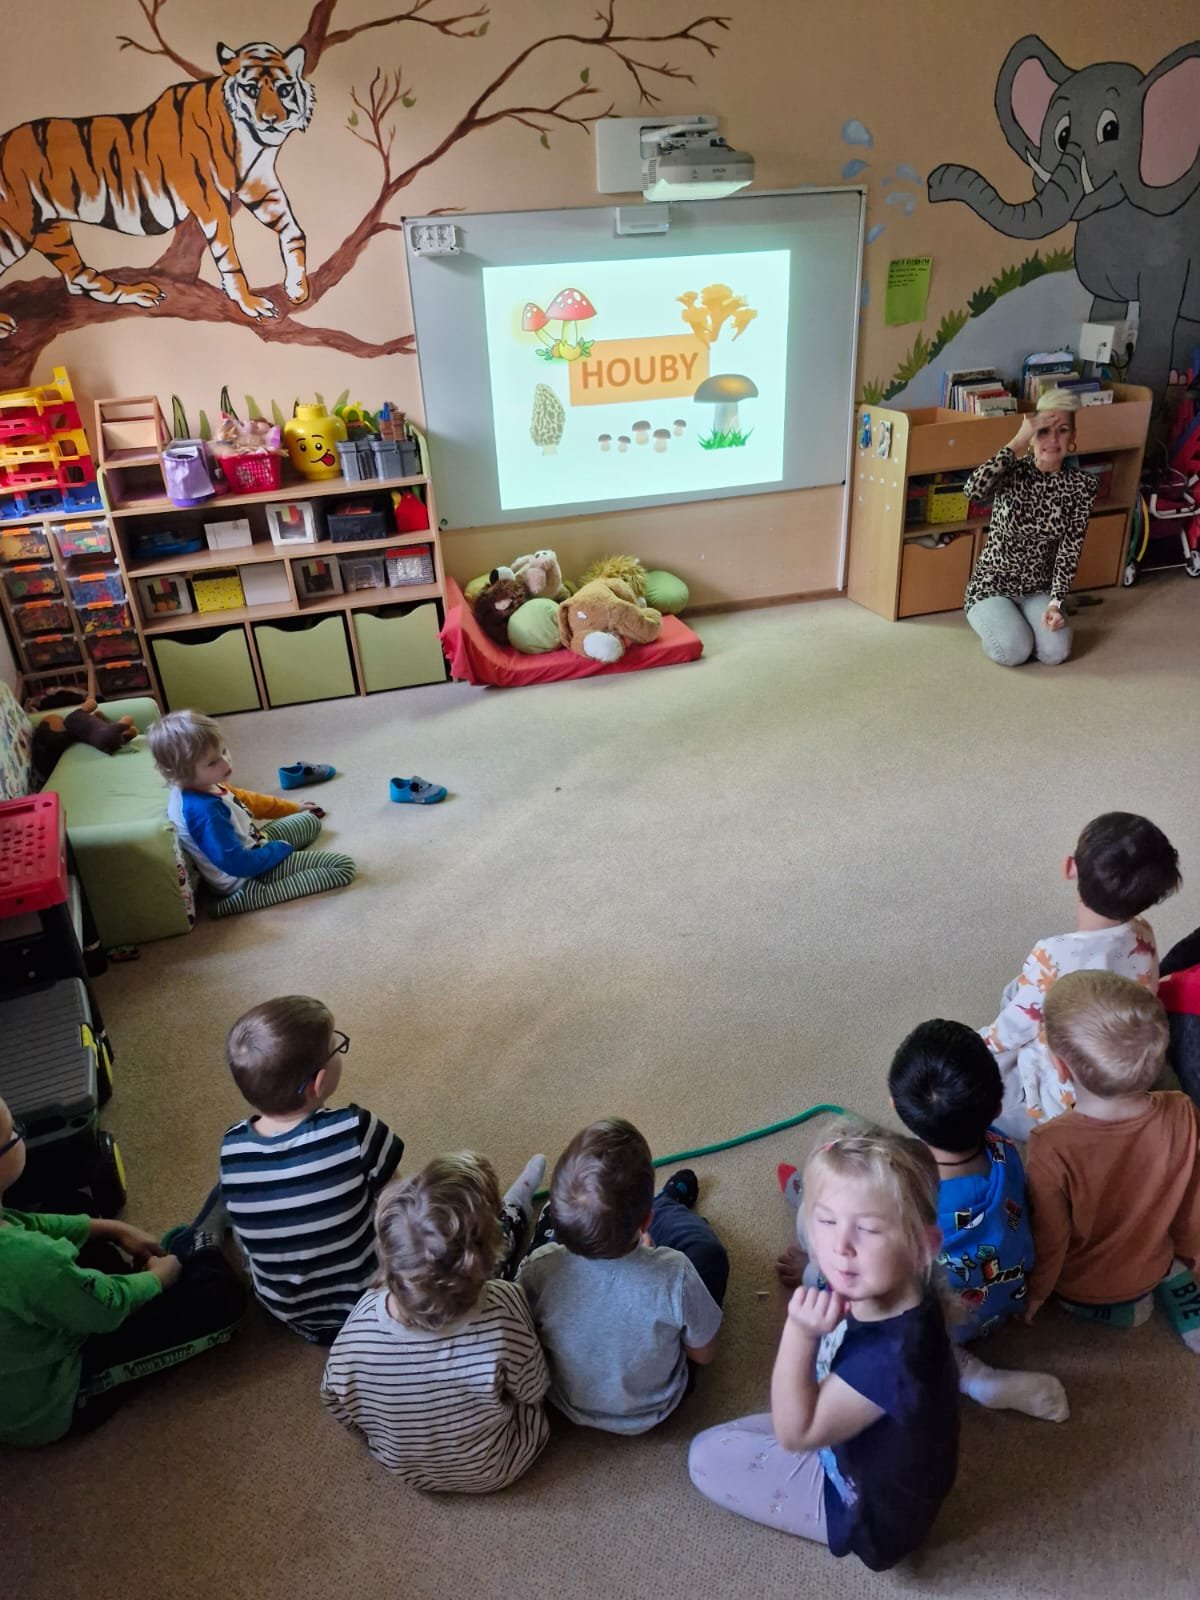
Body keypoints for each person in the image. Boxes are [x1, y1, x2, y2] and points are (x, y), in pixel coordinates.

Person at [689, 1127, 958, 1571]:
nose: (840, 1246)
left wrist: (800, 1331)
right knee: (740, 1433)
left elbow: (795, 1434)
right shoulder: (896, 1282)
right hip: (861, 1440)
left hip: (868, 1511)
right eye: (827, 1221)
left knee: (704, 1456)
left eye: (867, 1228)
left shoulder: (891, 1360)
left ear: (922, 1248)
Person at [0, 1094, 244, 1445]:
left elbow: (29, 1224)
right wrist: (158, 1277)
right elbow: (107, 1306)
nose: (19, 1134)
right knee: (221, 1298)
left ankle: (146, 1277)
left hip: (31, 1328)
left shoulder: (18, 1244)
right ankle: (196, 1245)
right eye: (15, 1132)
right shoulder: (30, 1260)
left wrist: (115, 1229)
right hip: (54, 1396)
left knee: (71, 1207)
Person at [321, 1152, 551, 1492]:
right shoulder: (503, 1307)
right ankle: (520, 1213)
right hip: (499, 1464)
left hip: (406, 1469)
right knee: (531, 1271)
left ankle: (515, 1209)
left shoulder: (359, 1324)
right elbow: (534, 1387)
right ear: (484, 1264)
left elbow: (335, 1401)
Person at [888, 1019, 1068, 1421]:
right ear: (997, 1110)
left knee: (850, 1293)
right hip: (1005, 1300)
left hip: (949, 1326)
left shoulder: (901, 1194)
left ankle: (974, 1377)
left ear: (895, 1108)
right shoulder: (1005, 1147)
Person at [517, 1118, 728, 1434]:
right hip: (656, 1409)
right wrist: (650, 1268)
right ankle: (666, 1202)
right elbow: (703, 1354)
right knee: (707, 1252)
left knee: (551, 1244)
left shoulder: (539, 1267)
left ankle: (557, 1227)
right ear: (645, 1222)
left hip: (567, 1403)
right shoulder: (676, 1272)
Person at [1025, 970, 1200, 1348]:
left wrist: (1038, 1292)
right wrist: (1192, 1253)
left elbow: (1051, 1237)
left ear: (1060, 1067)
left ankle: (1131, 1309)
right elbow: (1192, 1201)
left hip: (1085, 1284)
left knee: (1109, 1304)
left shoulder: (1049, 1144)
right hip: (1155, 1255)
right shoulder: (1183, 1110)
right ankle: (1174, 1279)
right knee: (1167, 1262)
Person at [983, 811, 1180, 1137]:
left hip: (1065, 1093)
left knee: (994, 1057)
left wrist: (977, 1042)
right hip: (1116, 1053)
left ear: (1070, 867)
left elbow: (1011, 1032)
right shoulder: (1143, 933)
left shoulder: (1051, 954)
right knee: (1017, 990)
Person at [219, 996, 404, 1343]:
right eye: (337, 1046)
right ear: (318, 1083)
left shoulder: (232, 1147)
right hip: (366, 1303)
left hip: (286, 1310)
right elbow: (397, 1202)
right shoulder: (356, 1129)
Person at [147, 708, 355, 917]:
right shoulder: (205, 811)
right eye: (212, 762)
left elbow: (249, 801)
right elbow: (237, 864)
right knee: (342, 867)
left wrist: (294, 808)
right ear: (181, 772)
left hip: (253, 844)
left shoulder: (204, 782)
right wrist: (278, 850)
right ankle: (247, 898)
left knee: (309, 821)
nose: (226, 762)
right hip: (244, 876)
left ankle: (270, 856)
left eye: (223, 751)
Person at [961, 389, 1098, 668]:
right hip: (992, 586)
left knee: (1055, 652)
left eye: (1062, 430)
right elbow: (972, 491)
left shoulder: (1082, 486)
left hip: (1038, 589)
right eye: (1044, 430)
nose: (1053, 440)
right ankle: (1001, 623)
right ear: (1033, 435)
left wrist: (1056, 603)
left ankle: (1024, 623)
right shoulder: (1012, 470)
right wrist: (1017, 440)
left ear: (1073, 436)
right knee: (1013, 651)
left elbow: (1069, 550)